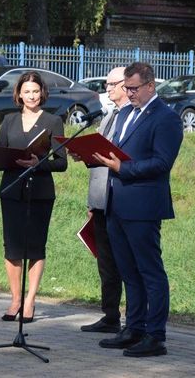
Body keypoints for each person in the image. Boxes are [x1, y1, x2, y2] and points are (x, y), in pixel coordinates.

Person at [93, 62, 183, 357]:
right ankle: (133, 327)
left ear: (150, 86)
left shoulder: (166, 118)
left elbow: (162, 162)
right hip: (117, 203)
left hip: (143, 205)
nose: (129, 93)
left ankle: (155, 335)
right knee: (128, 271)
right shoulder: (125, 114)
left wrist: (123, 168)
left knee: (149, 271)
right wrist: (93, 155)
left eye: (133, 88)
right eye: (126, 88)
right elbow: (116, 151)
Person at [0, 71, 67, 323]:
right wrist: (8, 159)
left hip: (40, 192)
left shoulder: (53, 121)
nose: (32, 96)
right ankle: (15, 300)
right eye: (27, 92)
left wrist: (38, 163)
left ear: (42, 93)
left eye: (35, 91)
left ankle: (30, 300)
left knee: (35, 247)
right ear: (19, 94)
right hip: (12, 190)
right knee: (12, 248)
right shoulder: (9, 120)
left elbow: (62, 163)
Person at [78, 67, 129, 333]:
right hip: (101, 200)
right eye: (106, 84)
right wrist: (82, 153)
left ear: (126, 85)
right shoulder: (109, 115)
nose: (107, 89)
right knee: (106, 263)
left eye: (111, 84)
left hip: (123, 200)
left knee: (127, 262)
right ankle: (110, 316)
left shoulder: (133, 117)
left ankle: (135, 319)